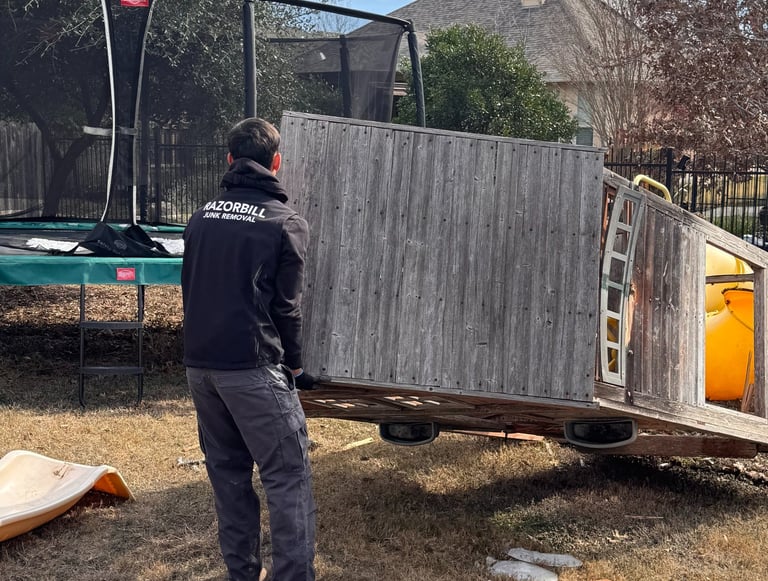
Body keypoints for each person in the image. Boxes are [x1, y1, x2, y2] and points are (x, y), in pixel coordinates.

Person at [181, 117, 317, 581]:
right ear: (275, 163)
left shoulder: (201, 217)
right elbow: (287, 307)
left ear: (229, 160)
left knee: (228, 474)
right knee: (287, 474)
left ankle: (241, 574)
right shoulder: (285, 223)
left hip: (201, 369)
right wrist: (295, 367)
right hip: (253, 368)